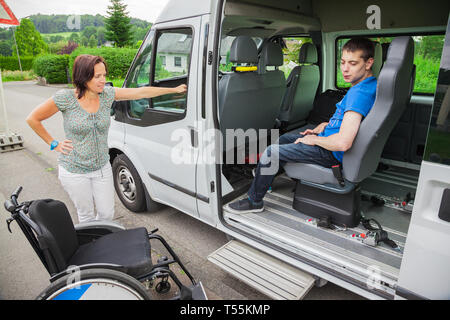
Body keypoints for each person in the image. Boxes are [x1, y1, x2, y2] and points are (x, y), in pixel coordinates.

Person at [26, 54, 187, 223]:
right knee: (86, 215)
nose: (103, 80)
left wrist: (173, 90)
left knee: (106, 214)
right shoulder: (65, 98)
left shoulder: (107, 94)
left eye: (104, 75)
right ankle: (94, 245)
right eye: (97, 76)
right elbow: (33, 119)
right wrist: (54, 143)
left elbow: (140, 92)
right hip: (74, 171)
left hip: (101, 167)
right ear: (83, 76)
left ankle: (101, 238)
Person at [226, 37, 378, 214]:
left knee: (270, 152)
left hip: (331, 153)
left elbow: (343, 143)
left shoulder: (359, 94)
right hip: (328, 139)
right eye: (343, 62)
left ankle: (254, 201)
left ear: (368, 63)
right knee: (285, 138)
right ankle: (266, 176)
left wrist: (314, 140)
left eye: (353, 63)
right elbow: (352, 121)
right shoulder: (368, 85)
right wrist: (325, 125)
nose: (345, 68)